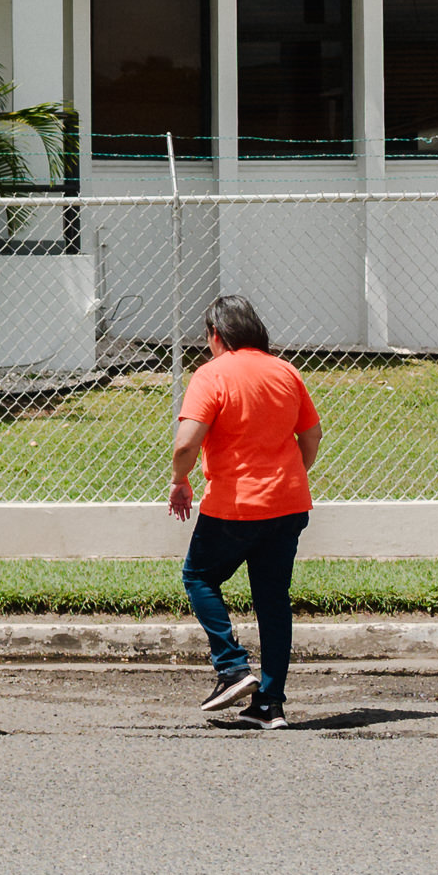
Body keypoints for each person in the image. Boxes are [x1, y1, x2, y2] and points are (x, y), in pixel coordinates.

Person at [169, 294, 322, 731]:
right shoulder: (286, 372)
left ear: (216, 335)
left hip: (235, 508)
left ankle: (232, 667)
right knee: (272, 601)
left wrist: (180, 481)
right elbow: (311, 436)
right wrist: (289, 476)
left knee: (198, 577)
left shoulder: (212, 374)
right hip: (289, 505)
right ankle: (270, 706)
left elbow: (185, 442)